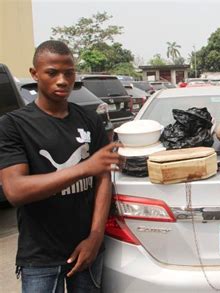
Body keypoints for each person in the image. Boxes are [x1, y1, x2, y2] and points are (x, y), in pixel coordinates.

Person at [0, 40, 122, 292]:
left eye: (69, 72)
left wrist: (96, 236)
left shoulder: (89, 119)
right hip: (40, 256)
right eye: (52, 72)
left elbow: (103, 180)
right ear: (35, 74)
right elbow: (15, 190)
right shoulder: (13, 125)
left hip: (88, 249)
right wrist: (84, 168)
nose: (62, 80)